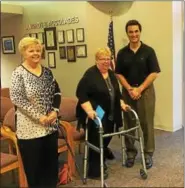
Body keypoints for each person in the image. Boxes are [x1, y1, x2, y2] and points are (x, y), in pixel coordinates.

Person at [10, 37, 61, 188]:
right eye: (31, 50)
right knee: (35, 174)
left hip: (50, 129)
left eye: (38, 50)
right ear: (23, 53)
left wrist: (55, 112)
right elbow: (17, 99)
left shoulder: (47, 72)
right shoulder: (18, 73)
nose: (35, 53)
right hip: (29, 132)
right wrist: (40, 117)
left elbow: (57, 92)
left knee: (51, 170)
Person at [76, 47, 130, 179]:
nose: (106, 61)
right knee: (97, 137)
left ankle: (103, 152)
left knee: (108, 133)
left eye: (108, 58)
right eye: (102, 59)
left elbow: (116, 92)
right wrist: (89, 110)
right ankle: (94, 170)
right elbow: (81, 94)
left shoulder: (111, 74)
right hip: (96, 111)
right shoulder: (90, 74)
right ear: (96, 60)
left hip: (111, 110)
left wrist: (122, 103)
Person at [115, 20, 161, 169]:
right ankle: (130, 153)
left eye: (136, 31)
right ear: (127, 33)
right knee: (128, 124)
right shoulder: (122, 53)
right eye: (130, 32)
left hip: (145, 92)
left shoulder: (149, 51)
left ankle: (148, 154)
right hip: (128, 92)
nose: (134, 34)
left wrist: (140, 89)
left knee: (147, 123)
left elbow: (154, 73)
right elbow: (119, 74)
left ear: (140, 32)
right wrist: (129, 89)